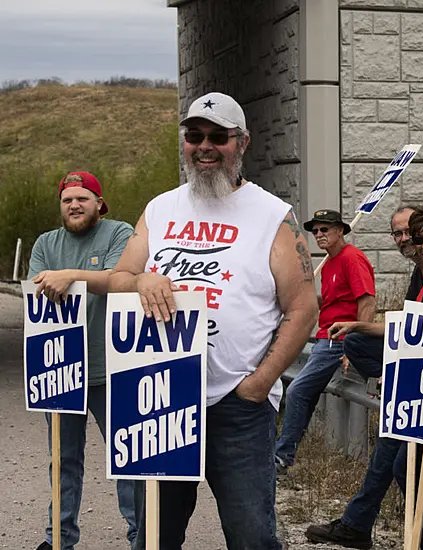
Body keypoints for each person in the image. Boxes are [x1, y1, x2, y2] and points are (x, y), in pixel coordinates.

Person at [109, 91, 319, 550]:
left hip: (237, 405)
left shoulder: (273, 216)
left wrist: (260, 383)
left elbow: (304, 307)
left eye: (218, 137)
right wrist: (142, 282)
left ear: (242, 142)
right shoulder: (161, 208)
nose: (204, 146)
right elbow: (121, 275)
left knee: (252, 536)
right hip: (162, 398)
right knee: (155, 537)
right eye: (194, 135)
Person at [305, 205, 423, 549]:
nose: (419, 243)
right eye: (408, 236)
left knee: (407, 465)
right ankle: (368, 527)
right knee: (396, 458)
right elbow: (411, 329)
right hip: (415, 383)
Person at [28, 171, 137, 550]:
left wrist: (71, 276)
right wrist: (69, 280)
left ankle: (139, 536)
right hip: (61, 371)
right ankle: (58, 538)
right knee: (62, 461)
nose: (74, 205)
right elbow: (37, 291)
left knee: (127, 459)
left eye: (83, 198)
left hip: (113, 368)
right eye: (67, 199)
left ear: (98, 203)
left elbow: (119, 279)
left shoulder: (119, 233)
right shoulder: (45, 243)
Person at [274, 209, 376, 473]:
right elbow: (333, 301)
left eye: (325, 229)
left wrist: (355, 344)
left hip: (338, 339)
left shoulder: (352, 258)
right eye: (315, 231)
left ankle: (282, 455)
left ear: (340, 230)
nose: (319, 234)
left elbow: (366, 301)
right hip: (324, 338)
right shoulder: (330, 262)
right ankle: (286, 451)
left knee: (297, 391)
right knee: (303, 393)